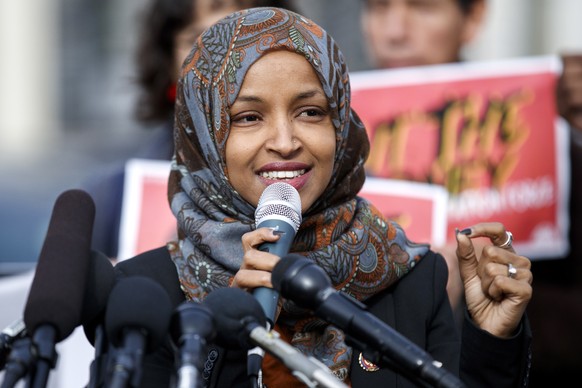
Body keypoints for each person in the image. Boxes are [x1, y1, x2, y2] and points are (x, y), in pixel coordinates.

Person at [101, 7, 533, 388]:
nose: (286, 142)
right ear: (204, 139)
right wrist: (233, 338)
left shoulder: (414, 280)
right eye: (248, 118)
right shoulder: (146, 294)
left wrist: (492, 342)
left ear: (341, 124)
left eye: (310, 112)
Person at [359, 1, 582, 385]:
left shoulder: (551, 141)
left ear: (473, 18)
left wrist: (499, 295)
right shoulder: (328, 142)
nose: (394, 31)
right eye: (378, 8)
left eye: (423, 8)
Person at [86, 0, 298, 260]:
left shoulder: (328, 181)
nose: (217, 60)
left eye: (240, 37)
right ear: (167, 61)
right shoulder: (112, 200)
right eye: (197, 40)